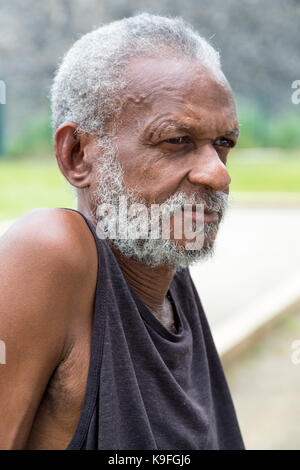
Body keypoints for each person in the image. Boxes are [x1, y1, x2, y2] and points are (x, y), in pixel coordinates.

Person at [0, 13, 244, 450]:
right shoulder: (50, 250)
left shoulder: (170, 272)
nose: (218, 174)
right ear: (77, 155)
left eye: (223, 143)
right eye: (176, 140)